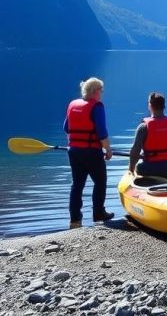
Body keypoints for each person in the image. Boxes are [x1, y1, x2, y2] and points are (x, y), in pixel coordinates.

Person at [64, 77, 114, 228]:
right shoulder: (97, 106)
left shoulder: (73, 105)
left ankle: (75, 219)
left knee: (77, 184)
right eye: (101, 90)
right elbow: (101, 131)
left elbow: (66, 128)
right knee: (100, 182)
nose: (102, 93)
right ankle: (98, 213)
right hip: (91, 151)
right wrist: (108, 149)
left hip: (74, 151)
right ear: (94, 91)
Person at [128, 92, 167, 182]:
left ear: (150, 106)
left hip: (149, 169)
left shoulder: (143, 127)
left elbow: (135, 152)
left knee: (139, 167)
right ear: (164, 106)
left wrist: (130, 169)